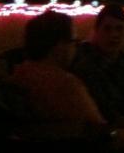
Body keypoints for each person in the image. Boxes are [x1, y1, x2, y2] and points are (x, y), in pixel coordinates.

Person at [10, 11, 111, 139]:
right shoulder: (65, 84)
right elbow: (99, 129)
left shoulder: (19, 74)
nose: (76, 48)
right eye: (74, 42)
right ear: (60, 45)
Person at [71, 4, 124, 128]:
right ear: (96, 32)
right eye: (107, 29)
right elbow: (105, 111)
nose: (114, 34)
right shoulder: (86, 67)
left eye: (119, 29)